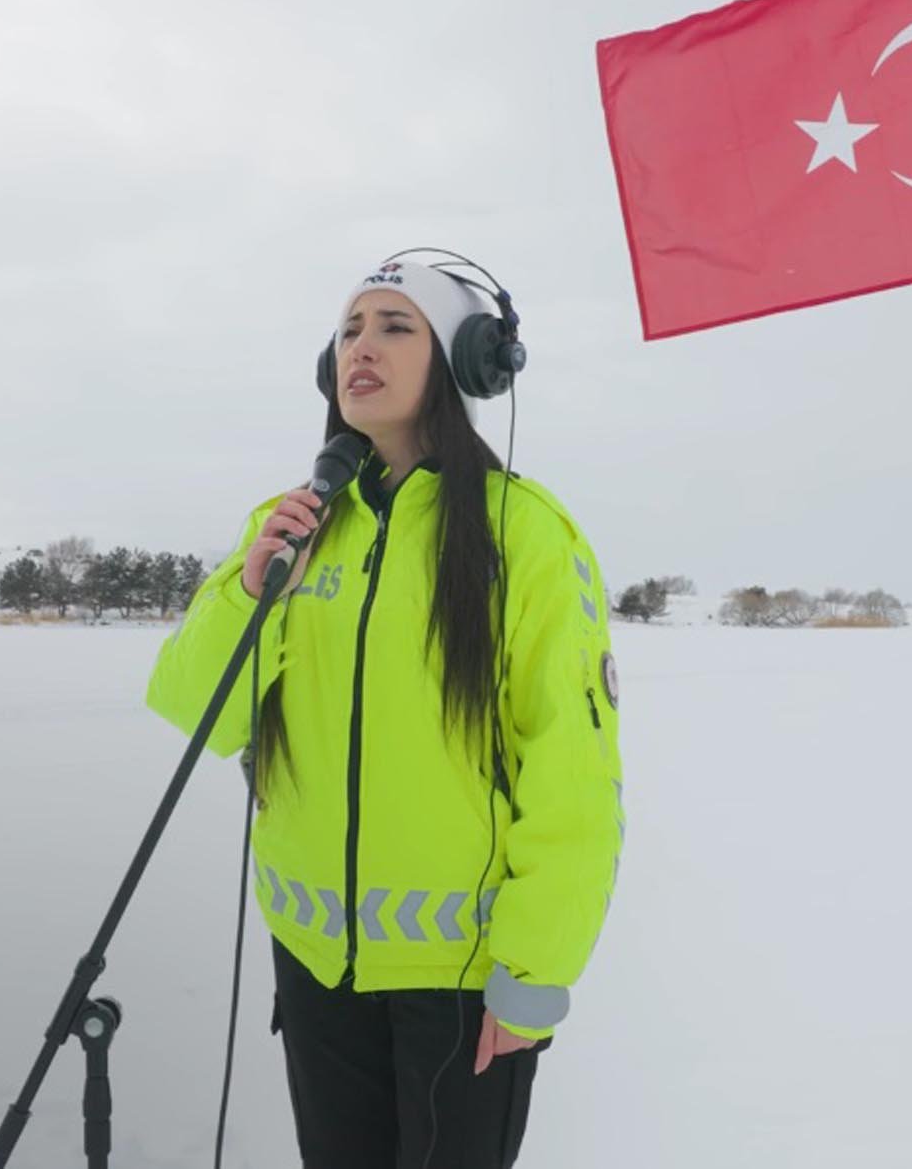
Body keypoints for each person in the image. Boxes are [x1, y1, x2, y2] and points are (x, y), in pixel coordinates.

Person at [145, 253, 626, 1168]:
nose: (361, 347)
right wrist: (252, 591)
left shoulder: (523, 532)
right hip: (316, 966)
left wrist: (533, 971)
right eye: (349, 331)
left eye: (396, 326)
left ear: (464, 359)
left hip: (463, 981)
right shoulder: (293, 521)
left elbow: (574, 769)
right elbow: (197, 711)